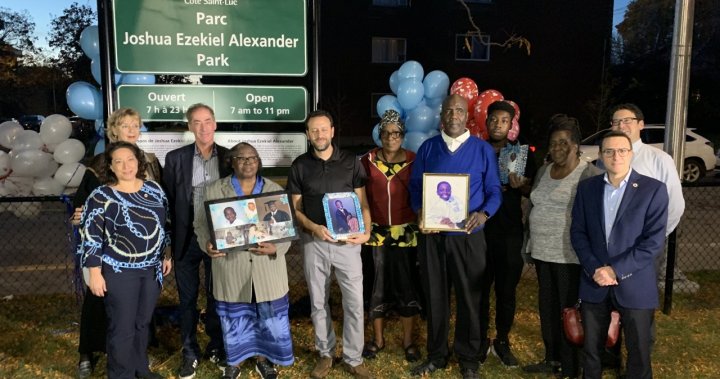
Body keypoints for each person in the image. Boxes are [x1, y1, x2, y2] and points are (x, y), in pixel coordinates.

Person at [409, 94, 502, 379]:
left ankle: (468, 357)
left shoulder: (482, 150)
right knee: (435, 295)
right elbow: (415, 187)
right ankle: (436, 355)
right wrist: (420, 212)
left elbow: (495, 191)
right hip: (434, 235)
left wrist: (484, 214)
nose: (453, 116)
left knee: (469, 296)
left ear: (467, 116)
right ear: (442, 115)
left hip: (468, 235)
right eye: (448, 111)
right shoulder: (428, 148)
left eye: (459, 111)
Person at [71, 108, 163, 378]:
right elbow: (86, 221)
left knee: (140, 322)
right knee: (120, 324)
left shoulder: (153, 178)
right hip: (117, 265)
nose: (132, 130)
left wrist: (165, 252)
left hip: (150, 267)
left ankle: (140, 369)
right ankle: (118, 371)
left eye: (136, 125)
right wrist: (95, 269)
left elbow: (162, 219)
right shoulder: (101, 187)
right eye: (126, 125)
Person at [571, 130, 669, 379]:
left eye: (622, 150)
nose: (616, 156)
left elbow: (653, 241)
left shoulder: (653, 190)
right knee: (591, 352)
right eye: (609, 151)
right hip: (595, 282)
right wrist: (595, 268)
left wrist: (615, 270)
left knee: (638, 352)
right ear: (601, 156)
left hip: (635, 284)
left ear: (631, 154)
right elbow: (578, 234)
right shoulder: (586, 189)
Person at [193, 142, 294, 379]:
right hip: (231, 266)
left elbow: (285, 231)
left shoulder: (272, 189)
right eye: (241, 158)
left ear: (258, 162)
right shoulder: (214, 190)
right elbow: (200, 224)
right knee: (234, 317)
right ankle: (234, 362)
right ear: (231, 162)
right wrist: (207, 244)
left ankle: (264, 361)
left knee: (267, 315)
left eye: (252, 158)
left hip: (266, 267)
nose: (248, 162)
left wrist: (275, 248)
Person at [287, 110, 374, 379]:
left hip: (348, 243)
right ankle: (325, 353)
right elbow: (296, 209)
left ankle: (353, 357)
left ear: (333, 131)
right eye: (314, 130)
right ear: (308, 135)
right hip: (314, 242)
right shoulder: (300, 165)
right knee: (318, 302)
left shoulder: (350, 162)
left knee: (354, 302)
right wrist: (314, 228)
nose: (319, 134)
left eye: (324, 129)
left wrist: (367, 231)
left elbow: (362, 203)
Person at [522, 115, 602, 378]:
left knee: (568, 312)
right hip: (542, 253)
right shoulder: (544, 171)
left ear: (577, 145)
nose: (557, 148)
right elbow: (534, 202)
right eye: (553, 143)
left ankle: (570, 366)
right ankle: (551, 358)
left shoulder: (588, 174)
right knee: (547, 308)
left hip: (569, 256)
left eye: (564, 143)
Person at [163, 103, 231, 379]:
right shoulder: (175, 158)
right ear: (190, 126)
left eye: (207, 121)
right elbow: (167, 202)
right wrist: (167, 246)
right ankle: (189, 352)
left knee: (217, 296)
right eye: (196, 122)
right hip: (186, 239)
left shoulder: (229, 157)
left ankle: (216, 347)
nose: (203, 127)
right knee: (187, 299)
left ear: (215, 124)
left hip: (219, 239)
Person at [360, 109, 422, 363]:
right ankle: (378, 340)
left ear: (403, 135)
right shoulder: (367, 161)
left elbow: (422, 193)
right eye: (386, 133)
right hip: (375, 233)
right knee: (377, 286)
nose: (391, 137)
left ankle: (408, 341)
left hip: (406, 232)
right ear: (379, 135)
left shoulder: (414, 160)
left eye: (396, 133)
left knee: (407, 286)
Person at [479, 101, 537, 368]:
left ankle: (502, 340)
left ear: (511, 124)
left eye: (504, 120)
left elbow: (531, 190)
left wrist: (522, 185)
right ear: (486, 121)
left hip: (510, 232)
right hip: (479, 231)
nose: (498, 124)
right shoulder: (476, 150)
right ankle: (479, 340)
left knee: (506, 291)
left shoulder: (521, 153)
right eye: (493, 119)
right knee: (479, 289)